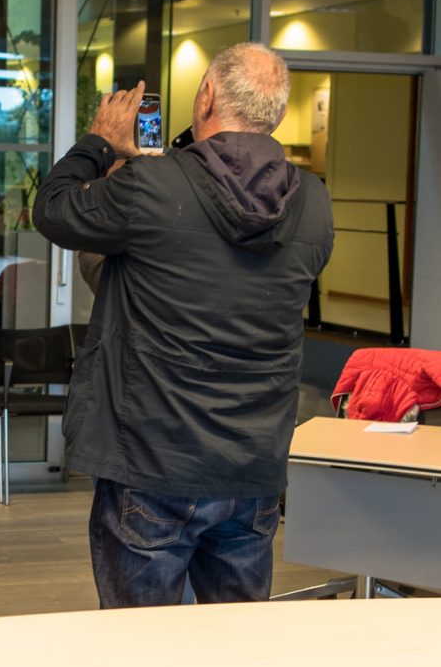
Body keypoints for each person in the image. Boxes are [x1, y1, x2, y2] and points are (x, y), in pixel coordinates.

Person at [33, 43, 334, 607]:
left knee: (142, 644)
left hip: (153, 460)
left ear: (207, 96)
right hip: (253, 469)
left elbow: (53, 209)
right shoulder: (314, 202)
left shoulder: (152, 186)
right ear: (275, 114)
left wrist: (100, 143)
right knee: (235, 640)